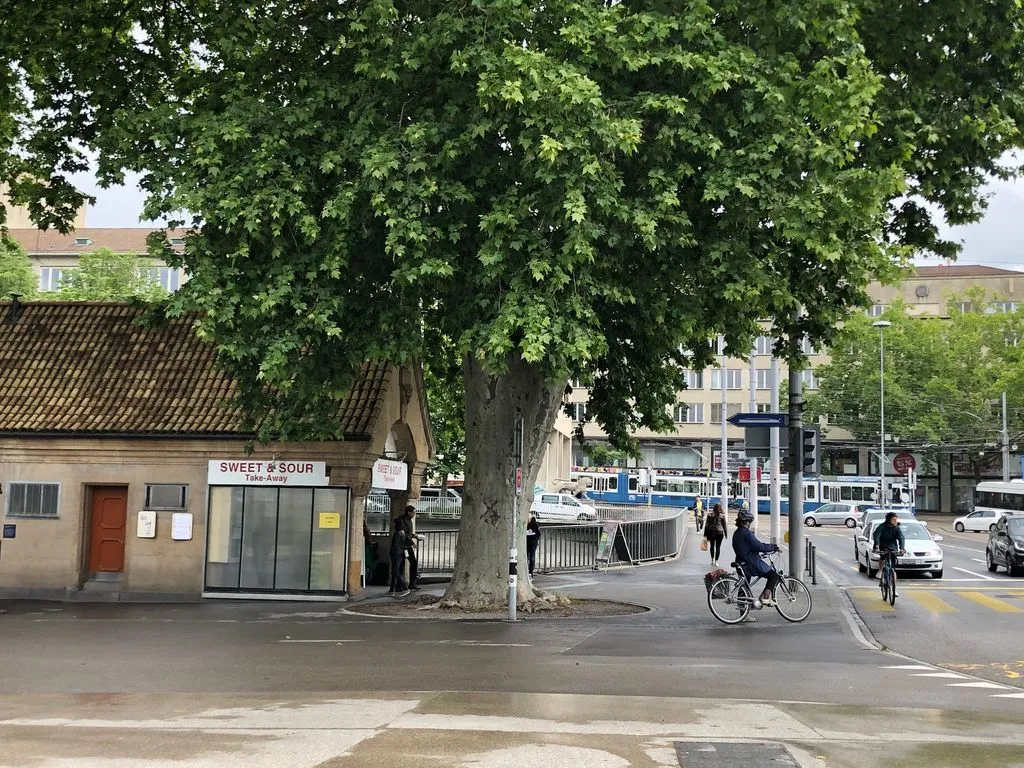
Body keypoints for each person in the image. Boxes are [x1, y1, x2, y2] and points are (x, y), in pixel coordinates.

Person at [732, 508, 782, 605]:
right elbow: (758, 545)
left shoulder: (737, 532)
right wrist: (773, 547)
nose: (749, 524)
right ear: (746, 521)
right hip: (750, 563)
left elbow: (746, 548)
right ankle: (765, 598)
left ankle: (743, 614)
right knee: (774, 576)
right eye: (749, 521)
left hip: (741, 562)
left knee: (744, 588)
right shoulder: (746, 533)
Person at [872, 511, 906, 596]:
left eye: (896, 519)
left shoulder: (897, 528)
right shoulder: (882, 527)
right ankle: (880, 571)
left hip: (893, 547)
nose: (895, 521)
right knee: (883, 557)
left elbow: (901, 538)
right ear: (889, 520)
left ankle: (894, 588)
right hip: (883, 546)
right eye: (893, 519)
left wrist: (902, 548)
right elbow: (877, 535)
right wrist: (877, 546)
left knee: (892, 569)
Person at [394, 505, 421, 590]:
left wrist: (413, 535)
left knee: (412, 562)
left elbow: (407, 533)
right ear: (409, 512)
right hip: (402, 546)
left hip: (406, 545)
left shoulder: (409, 520)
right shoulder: (401, 521)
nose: (414, 514)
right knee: (401, 564)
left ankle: (410, 583)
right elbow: (403, 534)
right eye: (413, 512)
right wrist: (412, 542)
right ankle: (400, 585)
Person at [703, 502, 727, 567]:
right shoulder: (722, 516)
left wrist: (705, 534)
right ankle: (716, 561)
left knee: (712, 546)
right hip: (719, 532)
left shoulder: (709, 515)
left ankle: (712, 560)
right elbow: (724, 526)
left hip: (711, 532)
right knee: (718, 547)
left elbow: (706, 525)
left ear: (714, 508)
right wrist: (726, 534)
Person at [388, 525, 408, 596]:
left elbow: (395, 545)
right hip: (401, 553)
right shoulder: (403, 533)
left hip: (396, 554)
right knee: (396, 571)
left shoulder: (397, 533)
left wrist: (391, 552)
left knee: (395, 572)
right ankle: (392, 590)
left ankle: (404, 587)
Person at [526, 511, 541, 578]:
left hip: (532, 543)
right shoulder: (525, 524)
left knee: (532, 558)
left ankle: (530, 571)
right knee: (527, 557)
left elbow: (538, 534)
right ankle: (527, 571)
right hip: (527, 542)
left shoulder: (534, 524)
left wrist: (533, 534)